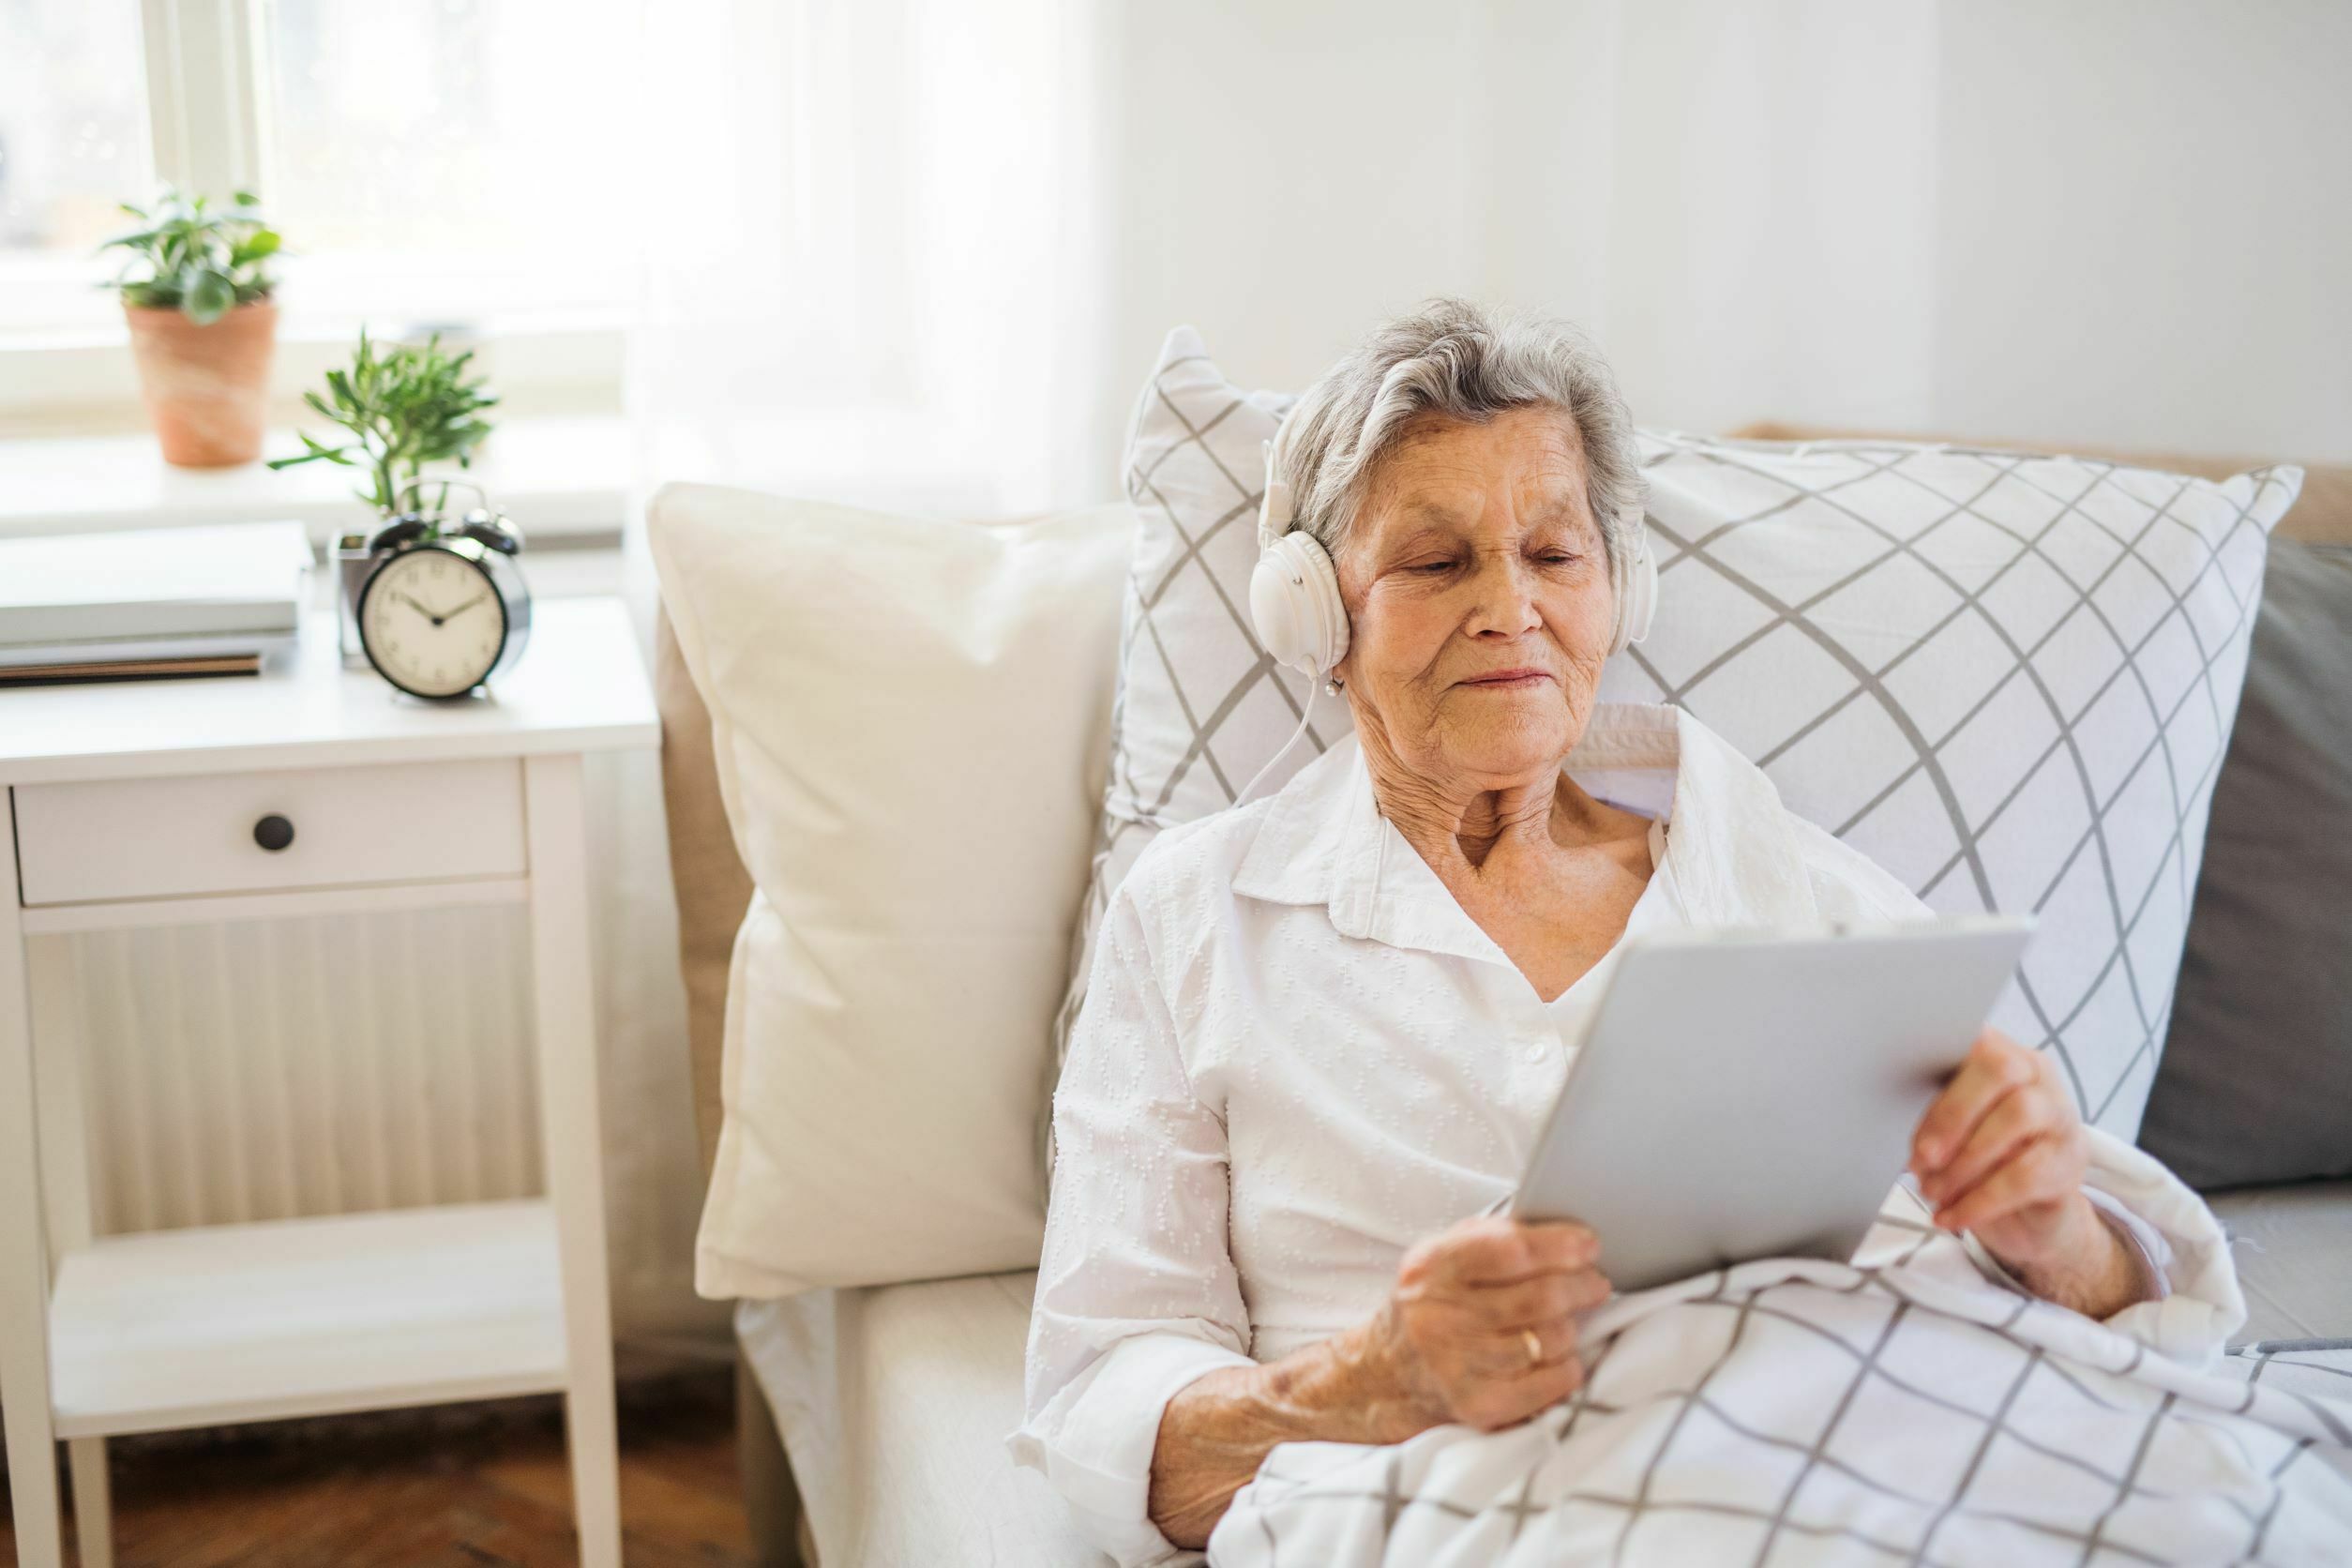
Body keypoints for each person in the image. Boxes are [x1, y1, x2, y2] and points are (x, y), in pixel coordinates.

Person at [1010, 300, 2216, 1564]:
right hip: (1519, 1508)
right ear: (1318, 616)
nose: (1509, 608)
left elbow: (2133, 1303)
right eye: (1437, 563)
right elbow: (1103, 1402)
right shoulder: (1199, 917)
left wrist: (2054, 1231)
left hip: (1925, 1449)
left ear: (1618, 587)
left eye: (1553, 552)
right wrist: (1370, 1386)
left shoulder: (1786, 875)